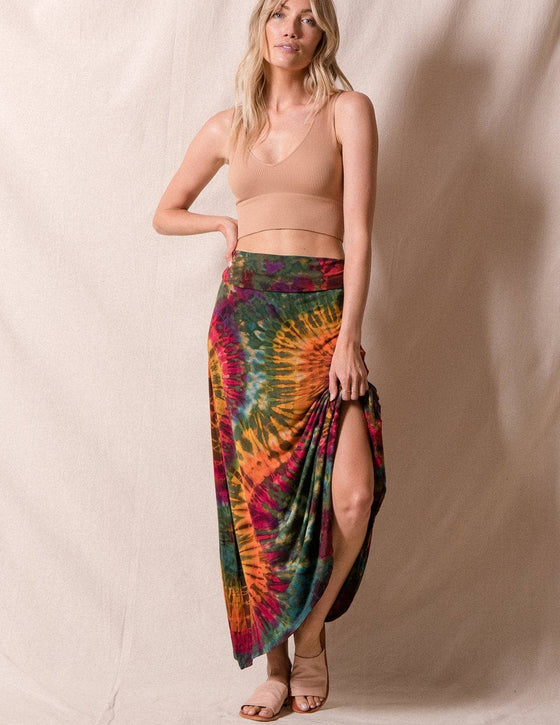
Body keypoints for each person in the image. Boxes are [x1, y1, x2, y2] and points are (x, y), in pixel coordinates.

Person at [152, 0, 386, 720]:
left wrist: (348, 335)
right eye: (279, 12)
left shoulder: (348, 111)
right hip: (246, 323)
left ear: (324, 35)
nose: (291, 26)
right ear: (260, 27)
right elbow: (165, 211)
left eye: (308, 17)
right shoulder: (228, 127)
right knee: (260, 507)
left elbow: (359, 231)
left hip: (322, 315)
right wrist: (219, 222)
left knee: (354, 493)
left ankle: (309, 634)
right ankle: (278, 666)